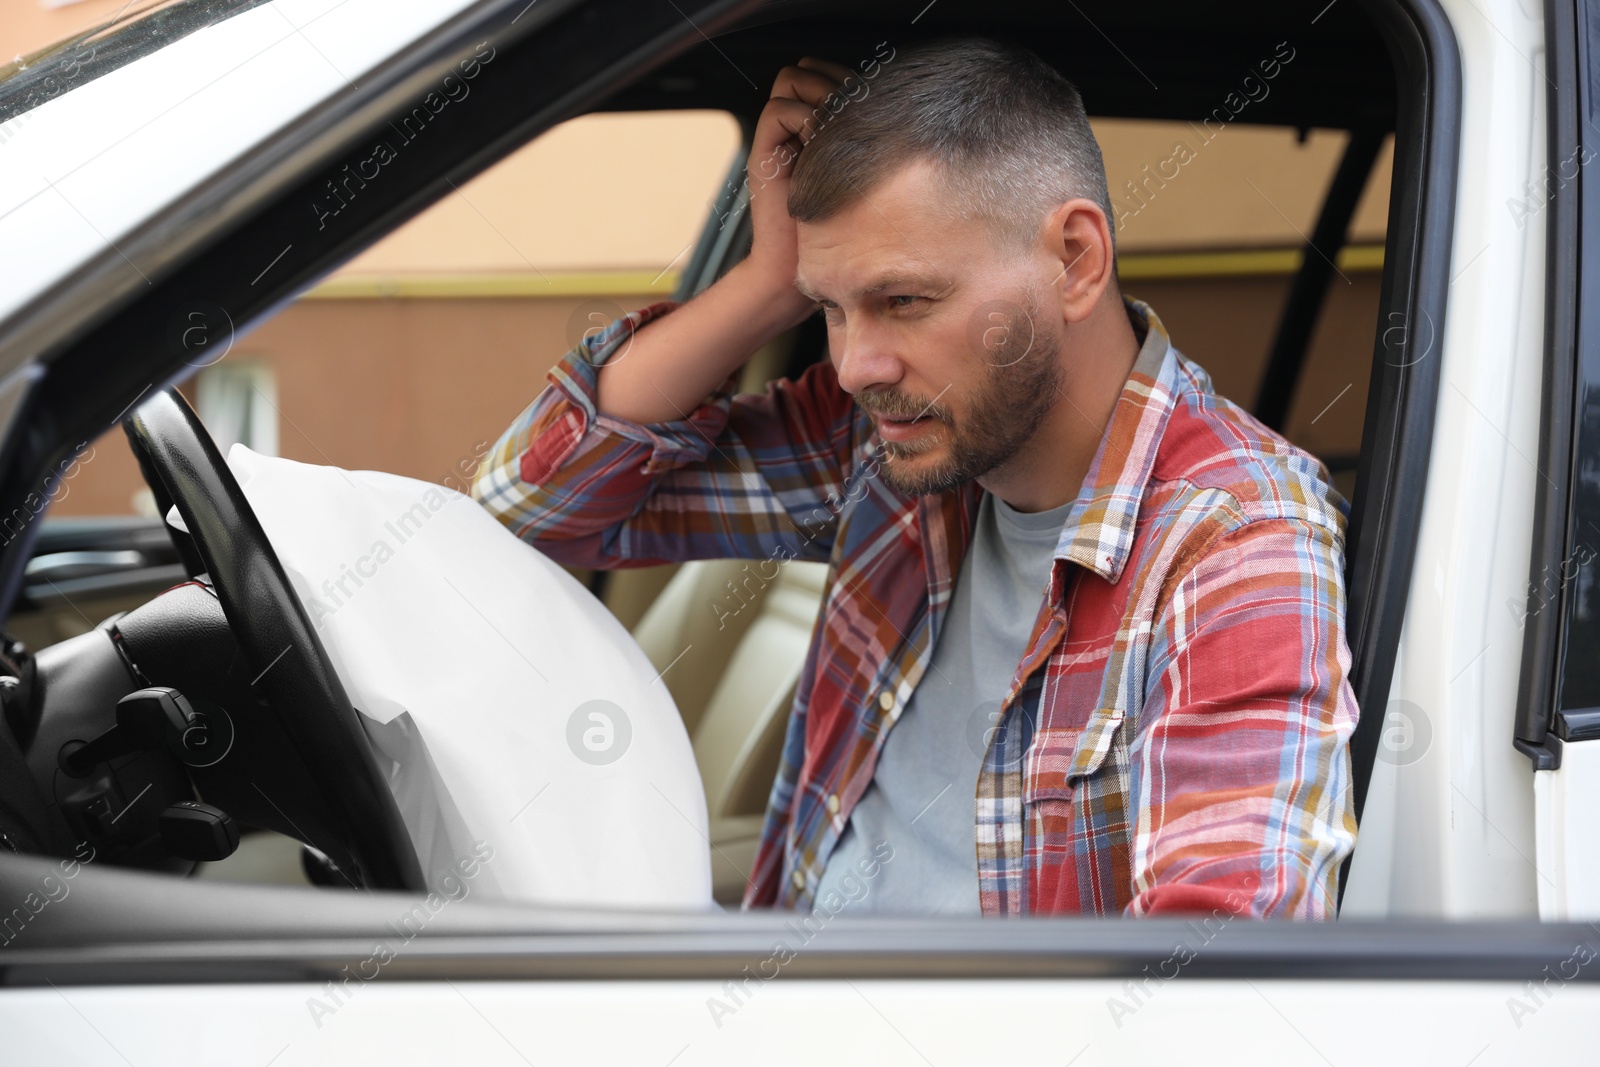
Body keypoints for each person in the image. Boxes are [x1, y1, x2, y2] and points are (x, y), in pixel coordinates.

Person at [473, 38, 1357, 918]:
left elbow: (1213, 990)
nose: (858, 365)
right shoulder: (894, 451)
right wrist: (765, 284)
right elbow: (529, 510)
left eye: (904, 301)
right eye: (830, 308)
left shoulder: (1236, 543)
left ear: (1076, 260)